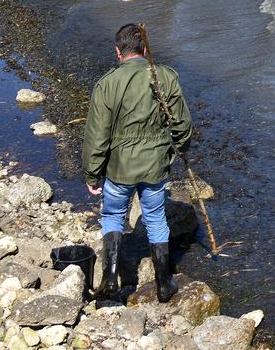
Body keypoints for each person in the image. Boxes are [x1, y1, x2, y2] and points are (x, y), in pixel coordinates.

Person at [82, 23, 192, 302]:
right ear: (145, 49)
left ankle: (109, 279)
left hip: (119, 167)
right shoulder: (163, 77)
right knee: (155, 218)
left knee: (113, 216)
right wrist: (181, 146)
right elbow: (181, 122)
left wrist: (92, 174)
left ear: (118, 52)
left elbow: (97, 135)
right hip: (155, 164)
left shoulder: (107, 84)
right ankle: (164, 283)